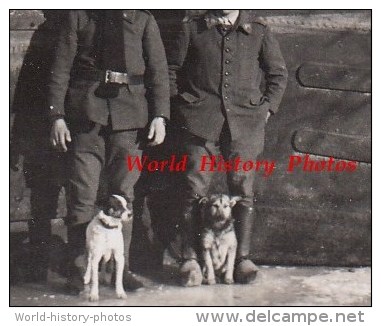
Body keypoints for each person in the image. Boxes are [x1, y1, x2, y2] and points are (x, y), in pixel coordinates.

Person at [47, 10, 170, 293]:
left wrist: (160, 115)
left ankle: (119, 269)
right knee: (82, 195)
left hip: (130, 120)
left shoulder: (143, 19)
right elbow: (60, 68)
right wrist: (57, 116)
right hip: (85, 117)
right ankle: (81, 269)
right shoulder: (79, 16)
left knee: (125, 195)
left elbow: (158, 71)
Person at [168, 10, 288, 286]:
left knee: (243, 190)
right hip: (200, 123)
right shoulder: (193, 28)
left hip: (245, 125)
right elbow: (171, 71)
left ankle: (242, 259)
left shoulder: (258, 30)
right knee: (193, 189)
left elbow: (278, 74)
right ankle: (190, 260)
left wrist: (266, 109)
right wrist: (184, 109)